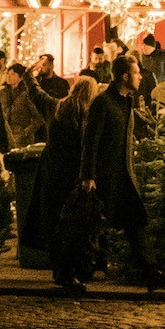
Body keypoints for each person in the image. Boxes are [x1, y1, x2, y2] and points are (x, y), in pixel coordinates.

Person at [79, 54, 165, 288]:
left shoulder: (126, 101)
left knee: (137, 222)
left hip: (124, 176)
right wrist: (88, 175)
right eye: (136, 73)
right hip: (104, 177)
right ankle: (76, 270)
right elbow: (90, 141)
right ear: (124, 76)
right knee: (92, 224)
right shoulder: (103, 103)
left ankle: (151, 272)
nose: (140, 76)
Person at [32, 77, 98, 294]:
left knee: (55, 225)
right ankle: (71, 271)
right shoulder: (87, 117)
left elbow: (37, 94)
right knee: (73, 227)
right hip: (74, 179)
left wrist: (29, 77)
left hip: (52, 175)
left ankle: (60, 270)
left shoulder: (57, 109)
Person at [0, 62, 54, 148]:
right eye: (8, 74)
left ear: (21, 77)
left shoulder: (27, 94)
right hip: (5, 136)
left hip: (22, 139)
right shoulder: (2, 93)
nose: (9, 77)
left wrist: (25, 132)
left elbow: (39, 117)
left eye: (13, 74)